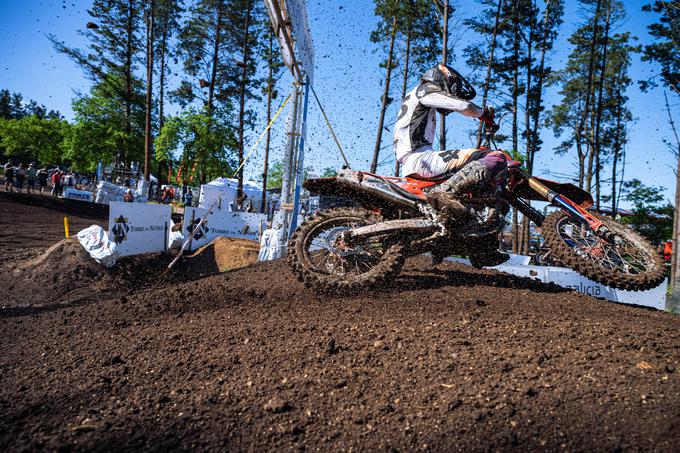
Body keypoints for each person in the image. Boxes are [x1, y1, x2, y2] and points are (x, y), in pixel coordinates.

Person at [393, 64, 508, 266]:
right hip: (419, 158)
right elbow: (464, 106)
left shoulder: (417, 96)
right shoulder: (423, 89)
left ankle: (481, 246)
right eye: (451, 87)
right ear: (441, 78)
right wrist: (483, 114)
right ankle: (445, 194)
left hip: (415, 160)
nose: (451, 92)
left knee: (476, 185)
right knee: (495, 158)